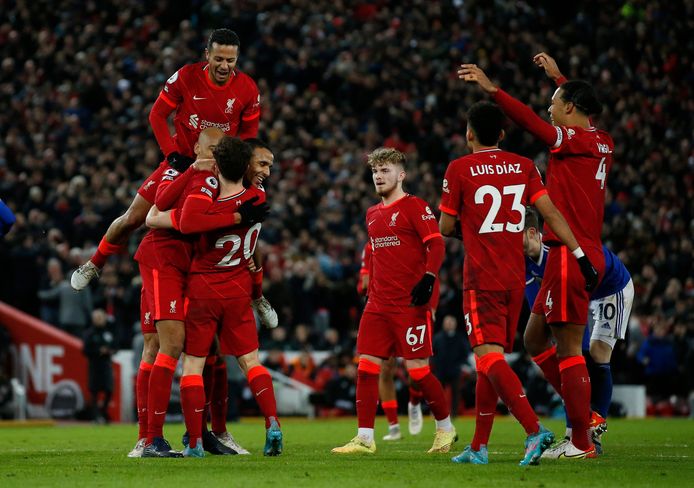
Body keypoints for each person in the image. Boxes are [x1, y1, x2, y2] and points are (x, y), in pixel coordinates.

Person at [459, 52, 613, 459]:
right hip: (581, 249)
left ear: (569, 109)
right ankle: (583, 420)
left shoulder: (572, 139)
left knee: (568, 349)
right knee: (532, 337)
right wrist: (559, 77)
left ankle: (580, 439)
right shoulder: (601, 140)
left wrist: (494, 91)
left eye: (555, 103)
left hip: (570, 251)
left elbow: (533, 123)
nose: (550, 108)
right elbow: (577, 105)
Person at [439, 101, 597, 465]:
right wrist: (579, 255)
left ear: (469, 135)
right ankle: (478, 447)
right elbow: (551, 213)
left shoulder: (459, 168)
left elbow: (446, 226)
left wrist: (475, 232)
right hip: (515, 280)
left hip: (481, 278)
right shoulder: (525, 167)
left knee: (488, 357)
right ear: (503, 134)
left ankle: (533, 429)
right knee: (487, 362)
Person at [71, 28, 260, 291]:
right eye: (218, 59)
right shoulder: (186, 76)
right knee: (133, 218)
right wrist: (172, 155)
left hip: (220, 169)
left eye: (230, 60)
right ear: (207, 55)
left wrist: (239, 170)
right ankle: (94, 263)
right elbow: (157, 116)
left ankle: (255, 294)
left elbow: (249, 137)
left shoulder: (248, 89)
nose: (224, 66)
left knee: (247, 224)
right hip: (181, 161)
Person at [147, 136, 282, 458]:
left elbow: (158, 217)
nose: (265, 171)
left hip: (204, 290)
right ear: (247, 167)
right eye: (262, 164)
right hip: (239, 290)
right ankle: (273, 424)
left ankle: (194, 442)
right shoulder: (258, 198)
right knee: (251, 362)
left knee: (192, 366)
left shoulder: (209, 203)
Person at [332, 147, 456, 455]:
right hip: (377, 304)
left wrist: (429, 278)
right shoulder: (372, 214)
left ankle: (445, 428)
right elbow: (375, 256)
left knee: (417, 371)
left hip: (410, 304)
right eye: (375, 171)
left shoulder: (414, 206)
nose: (378, 176)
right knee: (366, 367)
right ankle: (364, 437)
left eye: (385, 170)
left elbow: (437, 245)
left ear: (401, 175)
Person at [522, 207, 633, 456]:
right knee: (553, 350)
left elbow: (575, 339)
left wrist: (566, 357)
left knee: (594, 352)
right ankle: (581, 425)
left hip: (613, 287)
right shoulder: (525, 262)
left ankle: (594, 425)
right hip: (586, 293)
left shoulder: (557, 253)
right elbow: (536, 307)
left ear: (533, 232)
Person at [357, 242, 428, 441]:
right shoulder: (371, 246)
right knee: (385, 369)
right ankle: (394, 426)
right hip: (381, 308)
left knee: (415, 369)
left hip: (409, 308)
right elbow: (364, 282)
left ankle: (414, 402)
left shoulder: (408, 243)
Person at [83, 309, 116, 424]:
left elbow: (116, 345)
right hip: (94, 365)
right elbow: (85, 350)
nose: (99, 320)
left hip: (106, 365)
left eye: (101, 318)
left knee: (109, 390)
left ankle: (103, 412)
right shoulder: (89, 334)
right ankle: (96, 416)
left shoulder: (109, 332)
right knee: (94, 392)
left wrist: (111, 351)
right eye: (97, 318)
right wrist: (98, 351)